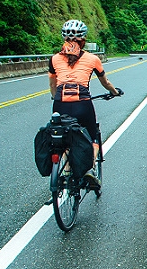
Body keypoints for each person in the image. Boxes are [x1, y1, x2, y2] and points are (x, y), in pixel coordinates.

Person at [48, 19, 123, 190]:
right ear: (83, 39)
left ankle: (66, 172)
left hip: (60, 105)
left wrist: (56, 98)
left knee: (65, 138)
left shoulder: (54, 59)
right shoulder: (92, 59)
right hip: (83, 105)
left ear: (64, 38)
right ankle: (91, 169)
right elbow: (105, 82)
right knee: (92, 136)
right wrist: (114, 92)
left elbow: (53, 85)